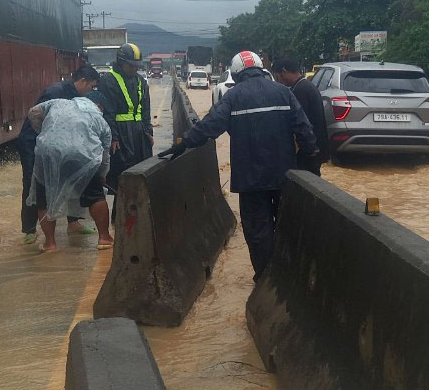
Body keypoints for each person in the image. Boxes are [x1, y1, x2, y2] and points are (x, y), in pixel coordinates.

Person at [158, 50, 317, 280]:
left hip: (250, 178)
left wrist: (183, 144)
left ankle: (265, 276)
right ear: (262, 69)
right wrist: (311, 157)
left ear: (236, 73)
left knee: (257, 231)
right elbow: (304, 129)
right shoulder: (284, 93)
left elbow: (208, 128)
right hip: (283, 176)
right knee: (285, 225)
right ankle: (286, 274)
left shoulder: (233, 97)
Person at [19, 66, 100, 244]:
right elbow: (39, 118)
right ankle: (30, 231)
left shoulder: (77, 97)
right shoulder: (56, 92)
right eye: (91, 86)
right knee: (33, 184)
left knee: (69, 179)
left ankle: (73, 223)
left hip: (58, 146)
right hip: (34, 143)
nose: (91, 91)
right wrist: (46, 142)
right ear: (83, 81)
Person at [25, 97, 113, 252]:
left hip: (47, 151)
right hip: (82, 155)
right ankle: (104, 238)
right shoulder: (98, 118)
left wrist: (41, 129)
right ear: (97, 106)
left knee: (44, 199)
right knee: (95, 196)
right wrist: (102, 175)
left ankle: (50, 243)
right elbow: (104, 154)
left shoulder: (57, 102)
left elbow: (33, 112)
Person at [100, 42, 153, 205]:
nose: (134, 69)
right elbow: (108, 112)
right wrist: (113, 138)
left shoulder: (140, 82)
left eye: (136, 66)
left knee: (142, 171)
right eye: (131, 66)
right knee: (122, 175)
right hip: (121, 135)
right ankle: (120, 218)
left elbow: (145, 110)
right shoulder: (109, 80)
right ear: (121, 62)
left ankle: (138, 213)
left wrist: (148, 132)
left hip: (139, 134)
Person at [273, 57, 328, 175]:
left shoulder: (300, 91)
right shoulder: (307, 86)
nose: (278, 82)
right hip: (316, 148)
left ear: (283, 72)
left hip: (308, 152)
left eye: (277, 77)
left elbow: (300, 125)